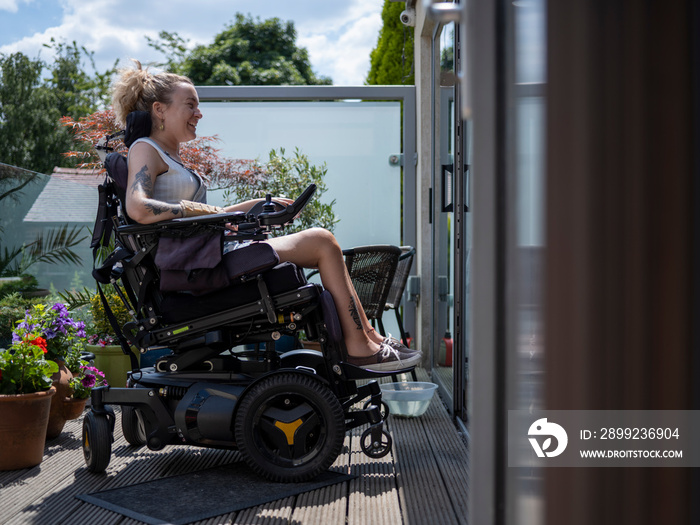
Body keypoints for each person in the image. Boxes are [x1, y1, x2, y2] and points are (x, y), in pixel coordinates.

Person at [111, 61, 421, 372]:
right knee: (322, 241)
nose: (199, 114)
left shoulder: (169, 154)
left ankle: (369, 337)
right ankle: (360, 347)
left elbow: (202, 218)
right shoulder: (145, 148)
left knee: (323, 242)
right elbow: (139, 208)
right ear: (159, 110)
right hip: (193, 269)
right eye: (190, 105)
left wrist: (253, 205)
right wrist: (199, 209)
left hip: (199, 260)